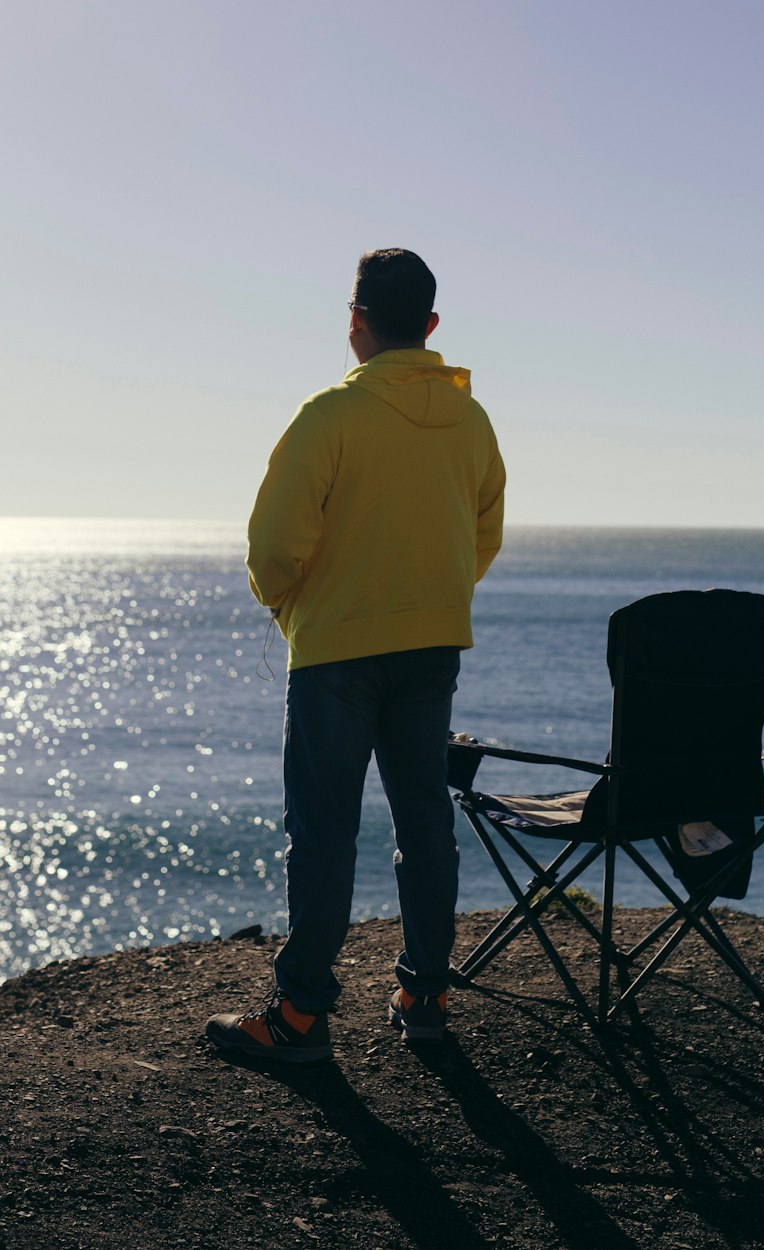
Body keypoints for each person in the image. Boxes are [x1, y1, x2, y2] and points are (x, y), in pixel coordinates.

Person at [206, 248, 505, 1061]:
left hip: (338, 650)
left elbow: (273, 545)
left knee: (326, 831)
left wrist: (288, 601)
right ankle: (425, 993)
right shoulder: (471, 421)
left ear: (356, 322)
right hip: (432, 643)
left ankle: (300, 1015)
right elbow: (483, 534)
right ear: (432, 326)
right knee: (425, 822)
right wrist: (431, 595)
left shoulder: (329, 416)